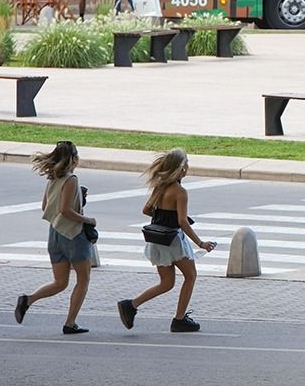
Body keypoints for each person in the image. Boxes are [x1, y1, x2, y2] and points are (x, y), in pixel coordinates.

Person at [114, 149, 216, 333]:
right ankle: (179, 319)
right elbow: (182, 222)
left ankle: (131, 305)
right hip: (173, 241)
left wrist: (162, 216)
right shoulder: (180, 192)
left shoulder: (159, 187)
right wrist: (201, 244)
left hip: (157, 240)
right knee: (190, 276)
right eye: (187, 162)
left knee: (167, 282)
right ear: (182, 168)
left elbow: (146, 210)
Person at [14, 141, 96, 334]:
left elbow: (46, 207)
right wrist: (88, 219)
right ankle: (70, 323)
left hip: (54, 235)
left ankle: (28, 299)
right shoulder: (71, 179)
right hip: (73, 235)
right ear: (74, 159)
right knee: (83, 280)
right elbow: (65, 210)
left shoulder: (52, 179)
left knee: (60, 282)